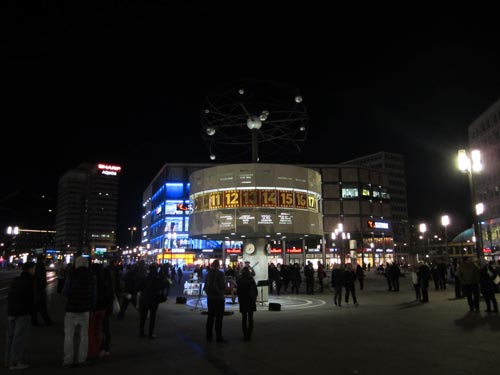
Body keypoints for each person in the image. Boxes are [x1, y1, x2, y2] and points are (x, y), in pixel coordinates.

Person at [62, 256, 96, 368]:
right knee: (84, 336)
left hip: (71, 309)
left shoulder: (71, 275)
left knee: (69, 335)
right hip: (85, 309)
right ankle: (82, 359)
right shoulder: (91, 276)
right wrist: (91, 307)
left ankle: (68, 360)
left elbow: (65, 292)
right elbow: (93, 295)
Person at [5, 261, 36, 370]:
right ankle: (15, 362)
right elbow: (30, 299)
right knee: (19, 338)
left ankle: (8, 360)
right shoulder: (30, 281)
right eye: (34, 268)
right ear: (30, 269)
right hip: (23, 312)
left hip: (11, 311)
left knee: (11, 337)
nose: (34, 270)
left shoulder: (16, 280)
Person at [137, 263, 166, 339]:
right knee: (152, 317)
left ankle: (141, 332)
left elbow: (139, 287)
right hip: (154, 300)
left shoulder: (145, 278)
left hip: (145, 299)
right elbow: (162, 287)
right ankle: (150, 333)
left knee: (143, 317)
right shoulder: (157, 278)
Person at [203, 259, 226, 343]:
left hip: (210, 298)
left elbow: (206, 286)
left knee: (210, 317)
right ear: (219, 265)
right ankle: (218, 337)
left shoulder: (208, 274)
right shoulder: (220, 274)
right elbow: (223, 285)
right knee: (219, 318)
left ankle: (209, 336)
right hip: (218, 298)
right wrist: (222, 292)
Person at [236, 266, 258, 341]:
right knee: (251, 318)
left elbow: (238, 291)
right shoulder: (251, 280)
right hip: (251, 301)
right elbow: (256, 291)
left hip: (243, 301)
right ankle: (249, 335)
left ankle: (245, 335)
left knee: (244, 318)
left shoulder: (240, 280)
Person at [32, 254, 54, 326]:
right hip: (40, 289)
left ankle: (36, 321)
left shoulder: (36, 266)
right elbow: (41, 278)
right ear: (42, 259)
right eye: (44, 259)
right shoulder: (41, 266)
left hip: (37, 289)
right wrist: (43, 286)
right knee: (41, 306)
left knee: (37, 306)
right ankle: (47, 322)